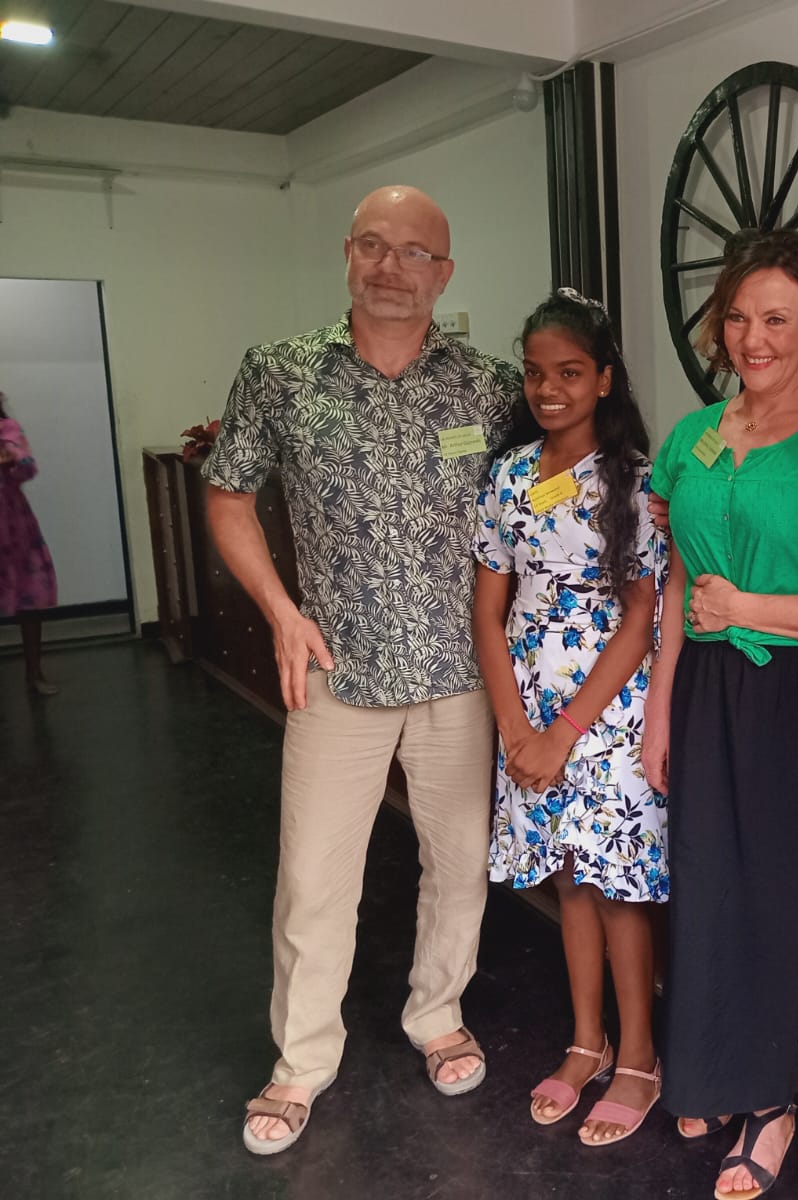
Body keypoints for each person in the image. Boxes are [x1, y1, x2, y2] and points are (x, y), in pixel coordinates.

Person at [205, 186, 523, 1155]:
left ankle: (439, 1013)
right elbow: (227, 494)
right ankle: (302, 1059)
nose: (392, 267)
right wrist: (281, 610)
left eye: (414, 252)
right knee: (313, 879)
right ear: (347, 253)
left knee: (458, 866)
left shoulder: (491, 386)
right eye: (374, 246)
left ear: (444, 272)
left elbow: (540, 497)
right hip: (334, 670)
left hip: (459, 673)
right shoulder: (281, 372)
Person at [642, 228, 798, 1200]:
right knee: (712, 883)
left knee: (785, 898)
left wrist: (746, 608)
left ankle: (771, 1103)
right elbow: (676, 583)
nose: (753, 339)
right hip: (706, 689)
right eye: (738, 318)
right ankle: (713, 1070)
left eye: (776, 319)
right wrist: (660, 709)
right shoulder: (693, 437)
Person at [471, 289, 668, 1147]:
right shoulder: (508, 474)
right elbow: (487, 612)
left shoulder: (636, 480)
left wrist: (563, 731)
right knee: (567, 879)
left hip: (608, 714)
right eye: (536, 373)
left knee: (617, 886)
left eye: (570, 373)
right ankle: (588, 1043)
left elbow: (643, 615)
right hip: (528, 711)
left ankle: (640, 1058)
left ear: (604, 379)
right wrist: (515, 727)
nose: (549, 389)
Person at [0, 391, 60, 696]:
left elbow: (26, 466)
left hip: (12, 521)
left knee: (29, 594)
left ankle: (34, 673)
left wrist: (11, 456)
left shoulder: (7, 428)